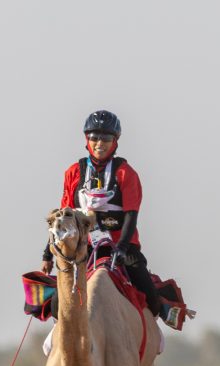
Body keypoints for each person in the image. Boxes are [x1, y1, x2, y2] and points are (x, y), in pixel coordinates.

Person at [40, 110, 163, 318]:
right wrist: (47, 255)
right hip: (82, 246)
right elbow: (61, 219)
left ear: (115, 141)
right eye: (94, 137)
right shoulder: (73, 172)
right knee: (56, 306)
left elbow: (131, 215)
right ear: (86, 139)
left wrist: (122, 248)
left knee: (152, 299)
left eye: (106, 138)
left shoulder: (126, 173)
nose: (99, 143)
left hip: (121, 246)